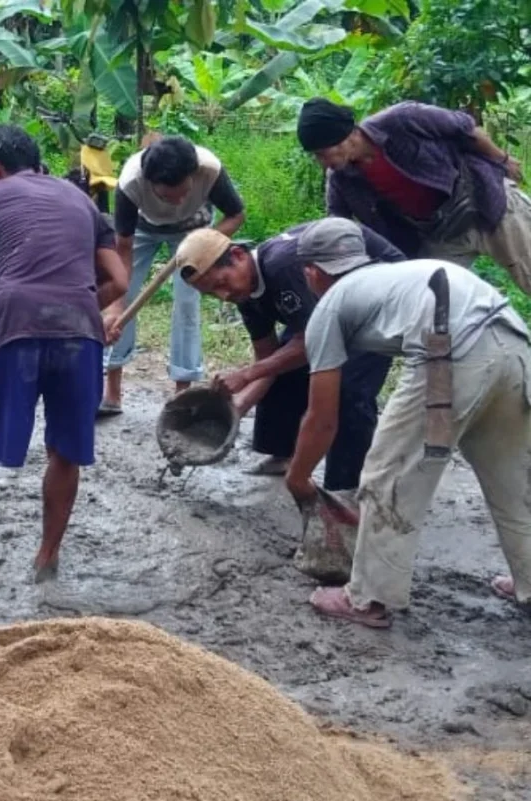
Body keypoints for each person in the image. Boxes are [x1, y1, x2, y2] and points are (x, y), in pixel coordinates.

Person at [283, 217, 531, 628]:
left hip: (450, 348)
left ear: (312, 272)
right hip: (514, 341)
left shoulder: (331, 304)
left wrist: (299, 476)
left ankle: (367, 598)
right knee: (516, 478)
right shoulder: (391, 276)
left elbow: (322, 417)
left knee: (388, 473)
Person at [0, 124, 128, 596]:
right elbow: (117, 279)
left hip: (13, 322)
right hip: (79, 330)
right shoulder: (82, 200)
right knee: (66, 450)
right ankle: (47, 559)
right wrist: (80, 307)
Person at [170, 221, 403, 489]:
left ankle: (349, 486)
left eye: (221, 282)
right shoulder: (245, 293)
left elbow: (316, 342)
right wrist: (236, 407)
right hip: (329, 312)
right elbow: (267, 356)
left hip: (377, 302)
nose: (223, 295)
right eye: (210, 293)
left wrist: (247, 374)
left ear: (237, 255)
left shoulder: (283, 266)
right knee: (278, 365)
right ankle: (284, 454)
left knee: (346, 390)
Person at [297, 97, 531, 295]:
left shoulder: (402, 119)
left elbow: (466, 128)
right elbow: (337, 223)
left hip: (486, 201)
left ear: (343, 136)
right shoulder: (341, 180)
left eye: (322, 153)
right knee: (430, 305)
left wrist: (502, 159)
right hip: (442, 233)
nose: (322, 162)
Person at [98, 133, 246, 416]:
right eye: (167, 196)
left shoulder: (210, 169)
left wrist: (203, 244)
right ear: (150, 184)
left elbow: (236, 215)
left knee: (187, 304)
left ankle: (183, 396)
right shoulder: (130, 183)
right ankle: (112, 391)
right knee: (123, 302)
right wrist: (116, 305)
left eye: (184, 192)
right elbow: (124, 248)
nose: (177, 201)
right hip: (143, 230)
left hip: (196, 230)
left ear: (194, 175)